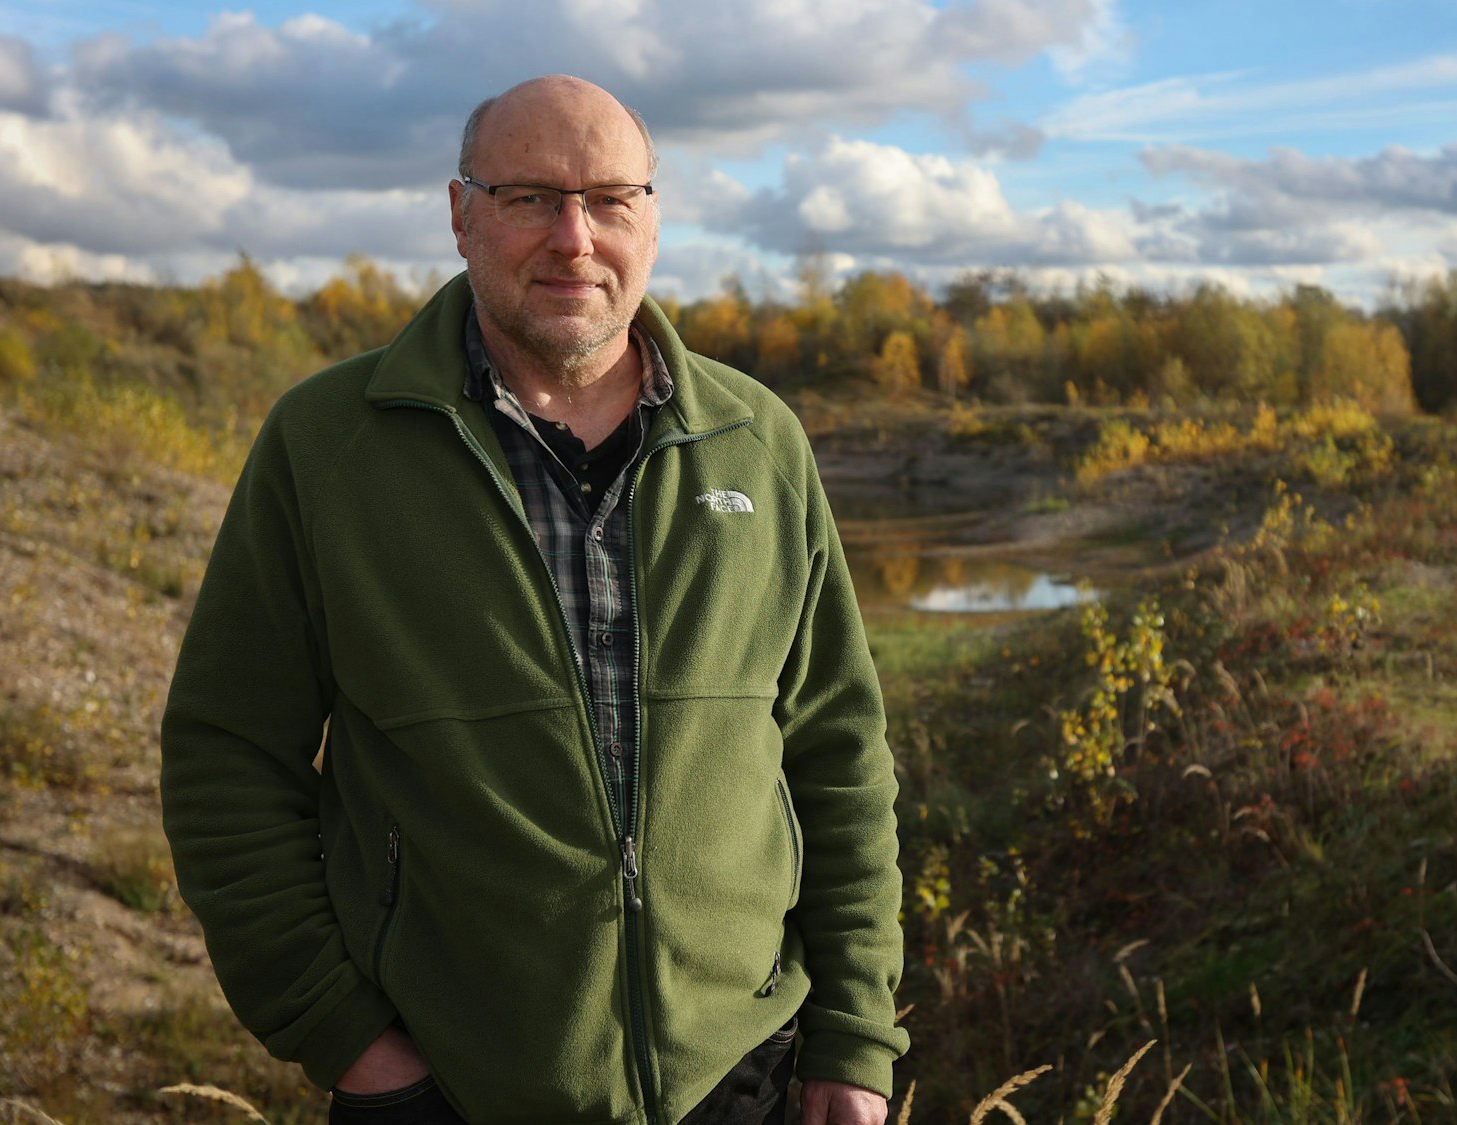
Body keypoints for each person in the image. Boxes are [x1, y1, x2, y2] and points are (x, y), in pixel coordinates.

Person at [161, 75, 905, 1125]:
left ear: (652, 218)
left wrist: (856, 1041)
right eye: (528, 199)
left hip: (749, 1078)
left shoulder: (757, 439)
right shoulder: (327, 445)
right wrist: (344, 1038)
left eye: (609, 199)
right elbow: (226, 757)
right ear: (461, 216)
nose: (573, 237)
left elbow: (837, 751)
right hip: (448, 1090)